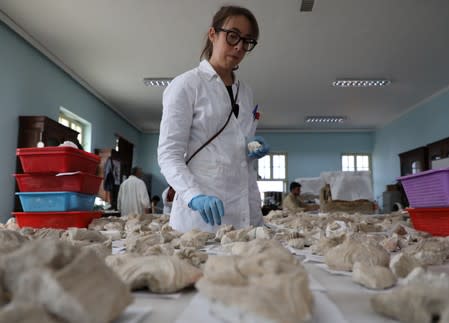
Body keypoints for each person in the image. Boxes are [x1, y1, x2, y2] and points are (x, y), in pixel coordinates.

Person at [158, 5, 269, 233]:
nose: (239, 46)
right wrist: (194, 196)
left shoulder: (245, 92)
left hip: (245, 212)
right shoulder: (186, 85)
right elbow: (169, 155)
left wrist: (251, 145)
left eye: (247, 41)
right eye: (232, 36)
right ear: (213, 34)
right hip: (201, 216)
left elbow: (237, 141)